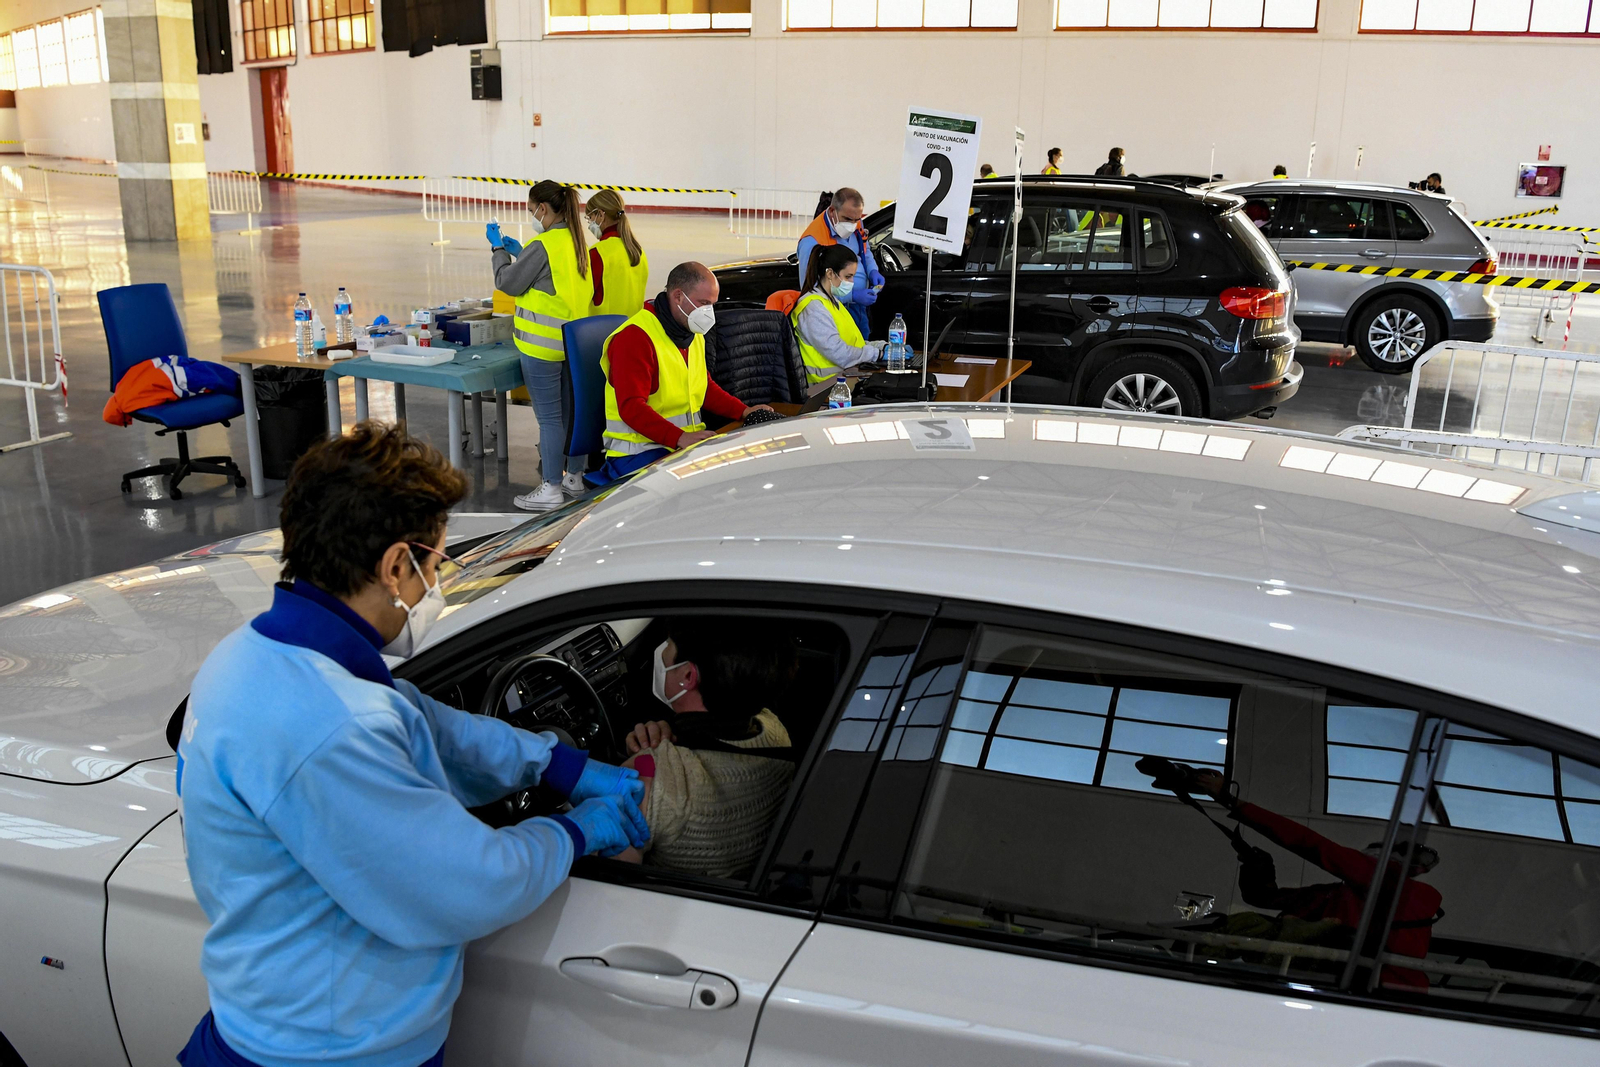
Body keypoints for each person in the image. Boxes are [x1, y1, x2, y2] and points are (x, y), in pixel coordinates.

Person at [174, 423, 648, 1067]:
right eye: (436, 564)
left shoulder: (259, 656)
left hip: (274, 1018)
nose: (436, 585)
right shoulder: (333, 725)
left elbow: (428, 726)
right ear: (396, 566)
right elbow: (466, 887)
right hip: (331, 1051)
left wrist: (556, 763)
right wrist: (574, 833)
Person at [1190, 769, 1443, 991]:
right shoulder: (1337, 893)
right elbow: (1264, 897)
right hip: (1337, 986)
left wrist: (1230, 800)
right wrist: (1257, 867)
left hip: (1374, 994)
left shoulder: (1400, 888)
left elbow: (1310, 844)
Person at [619, 623, 799, 879]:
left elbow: (603, 881)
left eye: (668, 646)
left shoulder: (649, 778)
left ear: (688, 677)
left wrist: (640, 761)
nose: (662, 652)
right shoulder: (773, 730)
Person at [594, 261, 771, 485]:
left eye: (712, 305)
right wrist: (679, 437)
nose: (709, 313)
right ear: (678, 296)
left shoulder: (691, 331)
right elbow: (631, 407)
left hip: (679, 446)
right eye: (703, 303)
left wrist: (744, 411)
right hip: (638, 454)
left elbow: (703, 387)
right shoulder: (635, 337)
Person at [490, 179, 594, 513]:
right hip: (573, 346)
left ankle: (550, 487)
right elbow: (553, 280)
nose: (531, 214)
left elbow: (507, 282)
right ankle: (573, 477)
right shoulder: (576, 241)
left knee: (550, 420)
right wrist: (522, 254)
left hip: (542, 349)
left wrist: (498, 252)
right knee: (572, 415)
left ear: (543, 209)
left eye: (531, 208)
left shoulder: (543, 244)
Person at [792, 244, 886, 386]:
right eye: (848, 276)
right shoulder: (813, 308)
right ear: (830, 273)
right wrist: (877, 354)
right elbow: (840, 353)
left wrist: (882, 347)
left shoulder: (832, 301)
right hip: (826, 387)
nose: (852, 282)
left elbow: (853, 344)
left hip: (845, 378)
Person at [795, 187, 882, 337]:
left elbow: (865, 252)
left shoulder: (856, 223)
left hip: (859, 308)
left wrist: (873, 270)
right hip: (832, 313)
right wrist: (852, 296)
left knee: (862, 346)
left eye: (857, 219)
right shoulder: (812, 241)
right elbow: (810, 291)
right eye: (847, 219)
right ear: (832, 211)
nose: (853, 225)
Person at [585, 189, 650, 317]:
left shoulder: (598, 253)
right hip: (631, 328)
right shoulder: (638, 251)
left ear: (600, 215)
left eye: (590, 218)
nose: (590, 224)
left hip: (604, 331)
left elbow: (583, 295)